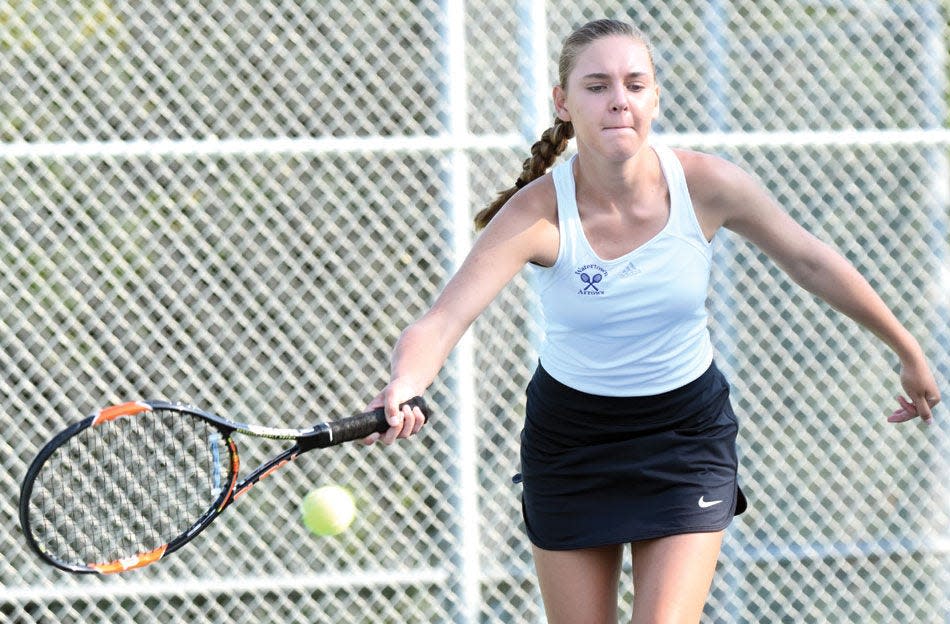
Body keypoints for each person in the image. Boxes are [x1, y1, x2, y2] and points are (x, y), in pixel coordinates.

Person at [363, 18, 941, 624]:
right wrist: (407, 381)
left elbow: (810, 259)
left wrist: (906, 348)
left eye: (635, 84)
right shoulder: (538, 212)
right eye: (596, 85)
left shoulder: (706, 184)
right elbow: (442, 320)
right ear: (562, 103)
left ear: (655, 97)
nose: (619, 99)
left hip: (685, 436)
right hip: (571, 443)